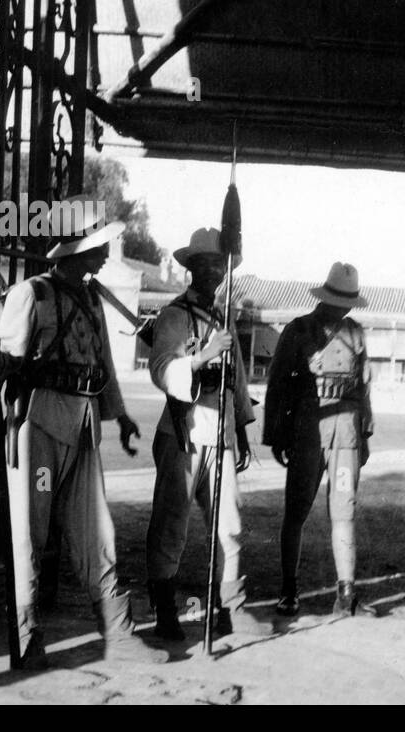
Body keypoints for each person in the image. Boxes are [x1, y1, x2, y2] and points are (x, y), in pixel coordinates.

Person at [0, 194, 168, 669]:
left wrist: (120, 416)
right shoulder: (32, 294)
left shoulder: (90, 299)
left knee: (95, 528)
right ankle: (26, 635)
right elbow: (8, 368)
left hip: (82, 423)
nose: (106, 253)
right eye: (99, 246)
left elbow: (102, 361)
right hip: (36, 423)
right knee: (29, 529)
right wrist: (0, 361)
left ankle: (117, 631)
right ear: (76, 249)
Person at [144, 227, 275, 641]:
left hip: (219, 435)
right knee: (171, 526)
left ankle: (229, 607)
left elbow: (235, 382)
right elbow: (163, 369)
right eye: (205, 265)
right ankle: (165, 612)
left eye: (220, 265)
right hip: (183, 431)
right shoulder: (174, 316)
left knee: (229, 525)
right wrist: (202, 356)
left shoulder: (224, 320)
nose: (214, 272)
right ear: (191, 268)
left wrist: (240, 432)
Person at [263, 262, 376, 618]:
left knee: (344, 511)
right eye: (337, 300)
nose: (342, 308)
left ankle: (345, 597)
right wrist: (277, 435)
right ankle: (288, 591)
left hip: (345, 433)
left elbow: (363, 388)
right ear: (324, 296)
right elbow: (278, 384)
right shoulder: (298, 331)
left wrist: (365, 434)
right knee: (296, 512)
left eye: (347, 302)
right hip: (308, 431)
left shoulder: (355, 334)